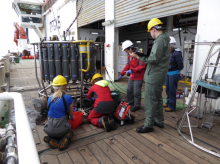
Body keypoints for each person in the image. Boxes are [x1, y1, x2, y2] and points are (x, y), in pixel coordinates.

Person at [129, 18, 170, 133]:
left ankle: (148, 125)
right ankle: (158, 121)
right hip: (158, 75)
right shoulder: (165, 39)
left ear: (153, 29)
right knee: (157, 99)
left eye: (150, 31)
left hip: (154, 76)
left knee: (150, 101)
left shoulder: (159, 40)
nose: (150, 34)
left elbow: (154, 58)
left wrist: (139, 57)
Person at [43, 75, 74, 150]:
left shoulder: (50, 98)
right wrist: (72, 118)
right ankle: (65, 138)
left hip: (48, 129)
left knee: (54, 130)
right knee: (70, 130)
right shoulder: (68, 98)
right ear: (64, 86)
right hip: (62, 129)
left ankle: (51, 138)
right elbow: (71, 116)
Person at [118, 40, 146, 112]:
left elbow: (142, 66)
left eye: (126, 50)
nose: (126, 52)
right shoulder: (129, 56)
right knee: (129, 90)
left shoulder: (139, 55)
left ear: (130, 48)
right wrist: (121, 74)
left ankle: (137, 105)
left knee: (136, 92)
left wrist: (133, 70)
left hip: (138, 77)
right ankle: (131, 102)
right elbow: (127, 66)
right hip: (132, 76)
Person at [164, 36, 184, 112]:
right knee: (168, 89)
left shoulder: (177, 53)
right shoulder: (169, 52)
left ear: (172, 45)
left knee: (172, 90)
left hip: (174, 73)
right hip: (168, 73)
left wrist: (178, 72)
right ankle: (168, 102)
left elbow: (180, 65)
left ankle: (172, 107)